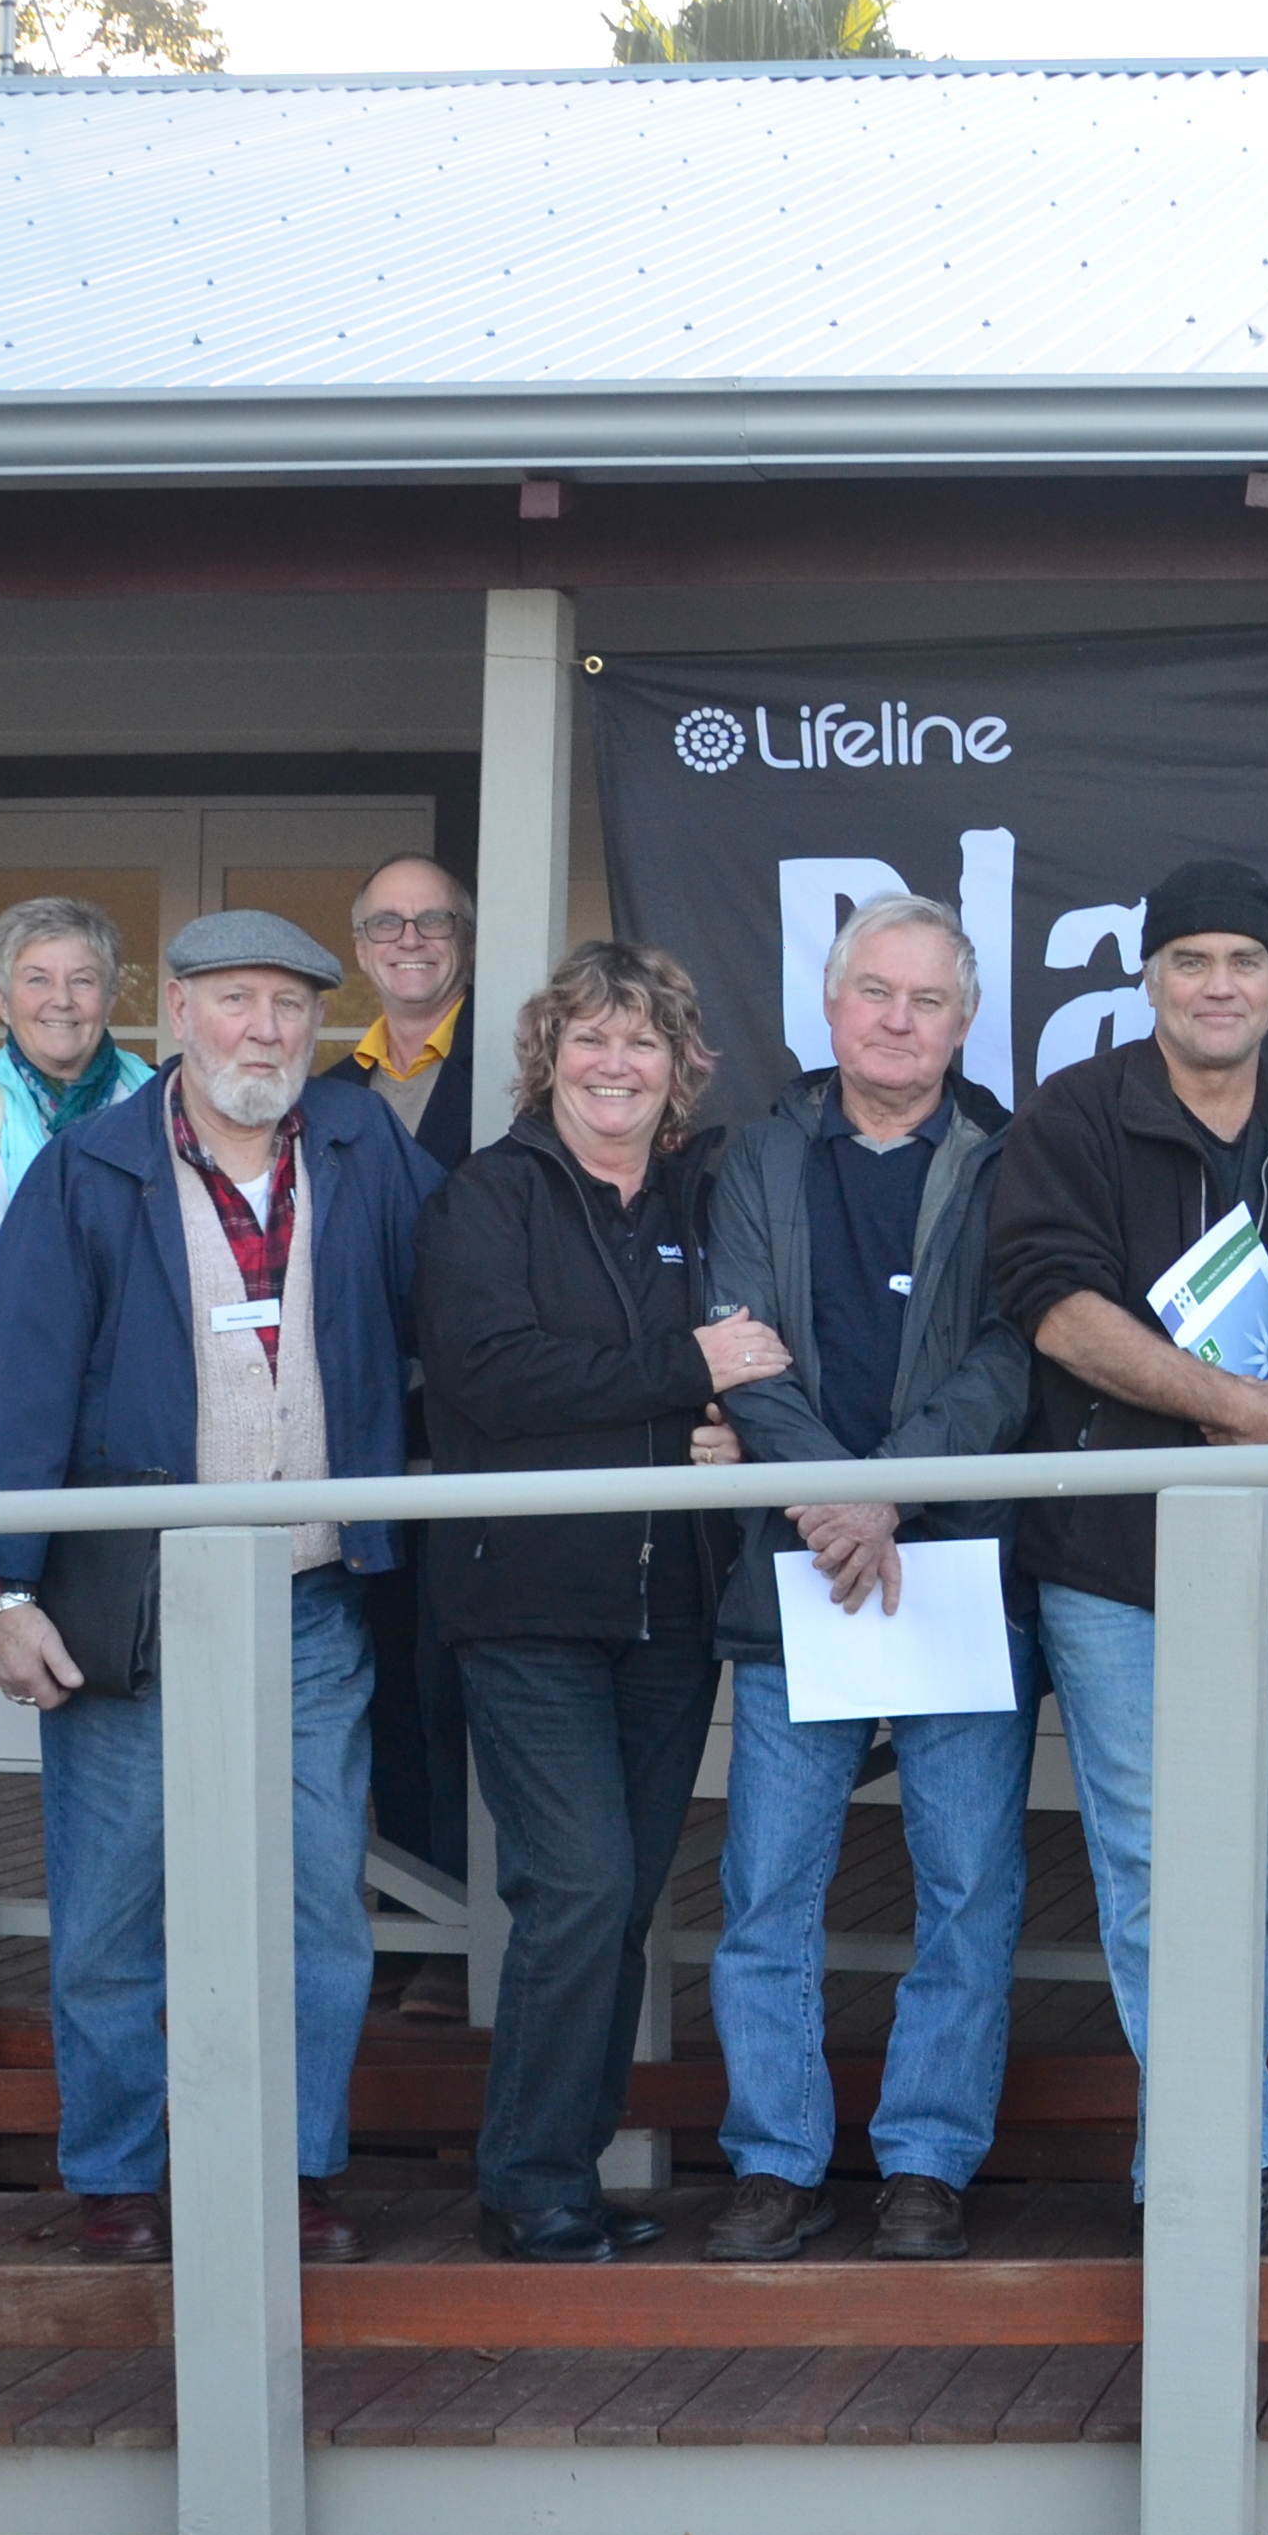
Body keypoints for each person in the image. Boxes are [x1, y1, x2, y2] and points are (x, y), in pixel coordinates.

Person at [0, 910, 437, 2266]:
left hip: (314, 1598)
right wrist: (2, 1591)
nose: (263, 1031)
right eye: (234, 1002)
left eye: (287, 1005)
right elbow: (13, 1386)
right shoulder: (89, 1169)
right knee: (111, 1906)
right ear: (174, 1012)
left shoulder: (360, 1146)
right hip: (129, 1601)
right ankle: (116, 2175)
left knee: (320, 1909)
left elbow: (448, 1315)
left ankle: (296, 2170)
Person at [984, 858, 1268, 2259]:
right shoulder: (1076, 1113)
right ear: (1147, 979)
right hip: (1115, 1552)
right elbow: (1055, 1311)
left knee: (1247, 1866)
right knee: (1153, 1862)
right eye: (1190, 960)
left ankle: (1193, 2145)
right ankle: (1231, 2147)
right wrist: (1243, 1406)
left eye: (1242, 963)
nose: (1217, 985)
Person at [422, 941, 781, 2264]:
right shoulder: (490, 1195)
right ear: (547, 1057)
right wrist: (678, 1369)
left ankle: (560, 2167)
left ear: (681, 1064)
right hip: (525, 1604)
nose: (613, 1063)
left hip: (671, 1610)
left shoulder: (710, 1187)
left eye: (641, 1041)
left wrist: (725, 1421)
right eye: (588, 1038)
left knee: (620, 1897)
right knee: (575, 1886)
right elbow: (491, 1375)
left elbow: (759, 1347)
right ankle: (526, 2183)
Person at [703, 899, 1042, 2264]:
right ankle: (775, 2159)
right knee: (767, 1889)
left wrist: (887, 1488)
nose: (896, 1019)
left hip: (956, 1564)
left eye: (926, 1000)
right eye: (872, 992)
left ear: (964, 1023)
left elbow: (1015, 1354)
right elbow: (736, 1341)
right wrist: (839, 1501)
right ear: (828, 1006)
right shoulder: (755, 1156)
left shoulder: (1014, 1158)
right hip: (800, 1567)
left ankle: (927, 2157)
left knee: (968, 1882)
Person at [330, 853, 478, 2007]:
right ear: (363, 947)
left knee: (467, 1683)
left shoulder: (523, 1070)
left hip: (488, 1428)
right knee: (389, 1684)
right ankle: (419, 1924)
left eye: (434, 921)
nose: (412, 939)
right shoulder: (333, 1089)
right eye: (389, 924)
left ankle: (477, 1924)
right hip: (368, 1428)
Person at [0, 896, 155, 1303]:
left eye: (83, 980)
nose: (62, 999)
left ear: (110, 998)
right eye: (37, 979)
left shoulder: (154, 1093)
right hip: (29, 1351)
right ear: (1, 1000)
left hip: (139, 1354)